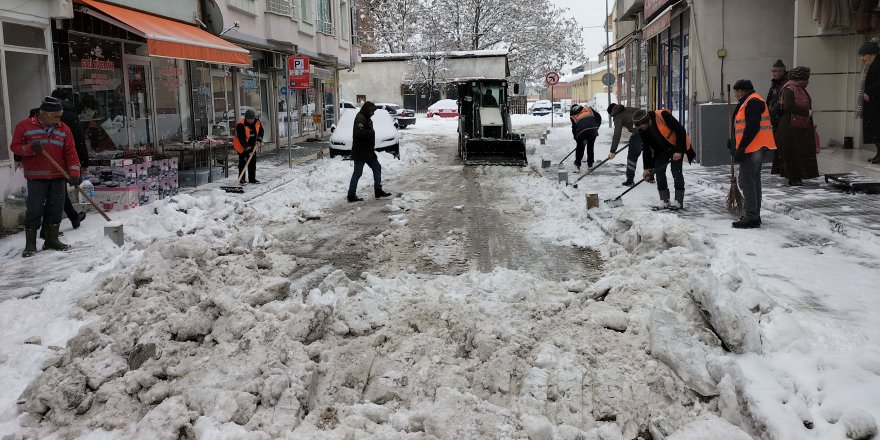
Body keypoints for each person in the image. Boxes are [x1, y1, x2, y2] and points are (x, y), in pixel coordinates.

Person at [10, 96, 81, 257]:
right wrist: (29, 149)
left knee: (55, 209)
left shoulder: (64, 129)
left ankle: (51, 240)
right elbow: (15, 147)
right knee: (34, 210)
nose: (59, 119)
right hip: (36, 178)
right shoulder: (25, 126)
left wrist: (74, 174)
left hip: (58, 177)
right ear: (45, 114)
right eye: (56, 116)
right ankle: (30, 244)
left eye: (60, 115)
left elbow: (71, 154)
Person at [730, 79, 777, 229]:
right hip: (754, 147)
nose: (735, 95)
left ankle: (751, 217)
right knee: (754, 181)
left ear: (741, 91)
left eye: (736, 92)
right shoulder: (749, 101)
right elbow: (742, 127)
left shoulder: (753, 102)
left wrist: (741, 148)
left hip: (754, 148)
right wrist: (733, 143)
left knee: (746, 181)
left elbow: (752, 127)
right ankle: (754, 215)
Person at [633, 108, 694, 210]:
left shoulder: (663, 115)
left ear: (646, 121)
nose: (640, 128)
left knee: (676, 171)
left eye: (640, 125)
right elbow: (647, 148)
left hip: (675, 146)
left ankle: (678, 201)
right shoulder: (642, 130)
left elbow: (680, 131)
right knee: (659, 171)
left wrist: (679, 150)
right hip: (661, 150)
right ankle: (664, 201)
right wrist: (647, 168)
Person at [771, 66, 819, 186]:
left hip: (797, 127)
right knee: (793, 153)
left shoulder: (798, 88)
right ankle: (794, 177)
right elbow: (788, 106)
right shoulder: (790, 89)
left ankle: (797, 176)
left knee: (798, 152)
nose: (808, 81)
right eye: (806, 78)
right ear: (800, 78)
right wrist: (806, 112)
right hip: (790, 128)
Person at [348, 101, 392, 202]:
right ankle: (351, 195)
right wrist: (370, 133)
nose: (373, 113)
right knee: (357, 173)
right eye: (372, 111)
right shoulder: (360, 118)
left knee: (377, 167)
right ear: (367, 110)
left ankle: (378, 190)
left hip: (367, 151)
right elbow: (359, 133)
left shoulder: (366, 118)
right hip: (360, 151)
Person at [606, 103, 647, 186]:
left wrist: (612, 150)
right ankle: (650, 176)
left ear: (611, 112)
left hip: (639, 133)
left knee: (632, 156)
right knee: (648, 154)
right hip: (649, 130)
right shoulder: (629, 109)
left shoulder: (617, 116)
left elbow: (617, 134)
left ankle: (630, 180)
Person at [858, 39, 880, 164]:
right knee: (874, 132)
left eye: (864, 55)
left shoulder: (877, 64)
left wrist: (869, 92)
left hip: (876, 103)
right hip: (872, 103)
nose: (861, 58)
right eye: (860, 56)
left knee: (877, 130)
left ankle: (879, 155)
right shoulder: (872, 64)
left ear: (872, 54)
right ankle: (878, 154)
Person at [233, 109, 264, 183]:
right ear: (245, 118)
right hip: (241, 145)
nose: (250, 120)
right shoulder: (240, 124)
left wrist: (258, 140)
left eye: (252, 119)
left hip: (253, 144)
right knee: (243, 162)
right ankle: (241, 179)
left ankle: (252, 179)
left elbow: (261, 131)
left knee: (252, 162)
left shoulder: (257, 122)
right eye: (248, 119)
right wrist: (248, 150)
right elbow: (242, 139)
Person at [569, 104, 601, 172]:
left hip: (582, 131)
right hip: (592, 130)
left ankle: (577, 165)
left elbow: (574, 128)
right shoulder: (588, 109)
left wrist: (577, 139)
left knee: (580, 148)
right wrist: (596, 127)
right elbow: (598, 117)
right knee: (590, 147)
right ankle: (590, 164)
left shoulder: (573, 115)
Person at [767, 59, 788, 130]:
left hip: (781, 122)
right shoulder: (775, 83)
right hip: (774, 122)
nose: (773, 74)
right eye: (772, 71)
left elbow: (782, 105)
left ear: (782, 71)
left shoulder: (786, 85)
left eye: (775, 71)